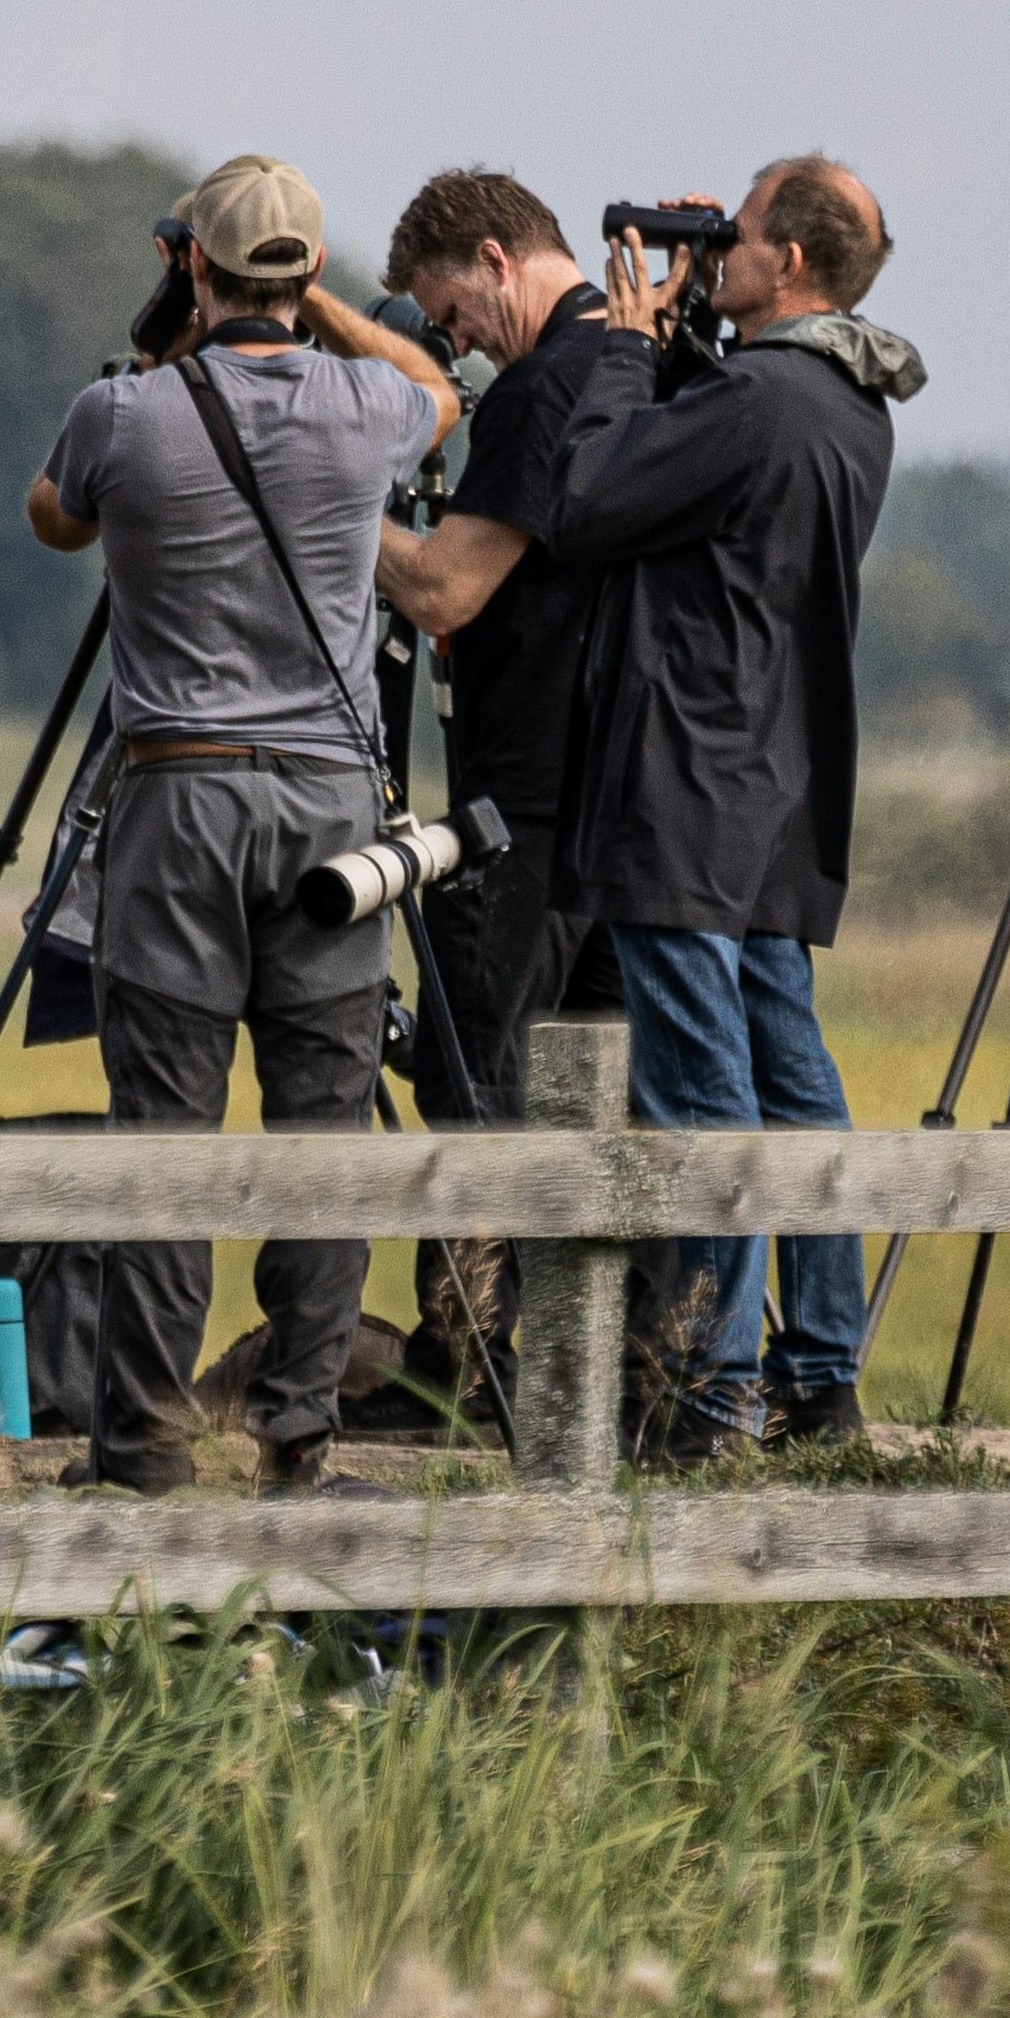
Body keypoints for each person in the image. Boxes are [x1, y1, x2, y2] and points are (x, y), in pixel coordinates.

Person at [23, 153, 458, 1492]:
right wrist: (322, 316)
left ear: (191, 265)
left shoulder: (126, 411)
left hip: (178, 797)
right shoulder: (373, 401)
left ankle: (145, 1444)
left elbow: (53, 518)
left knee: (164, 1128)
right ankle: (298, 1435)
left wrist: (166, 340)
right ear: (313, 275)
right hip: (332, 803)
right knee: (323, 1129)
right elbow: (442, 394)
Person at [525, 154, 918, 1456]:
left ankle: (709, 1392)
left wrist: (631, 354)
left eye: (735, 235)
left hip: (685, 793)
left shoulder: (757, 397)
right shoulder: (851, 405)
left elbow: (582, 501)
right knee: (793, 1082)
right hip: (774, 791)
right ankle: (820, 1373)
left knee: (701, 1099)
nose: (720, 249)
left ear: (789, 261)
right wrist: (691, 335)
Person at [370, 169, 637, 1407]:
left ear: (491, 257)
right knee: (600, 1086)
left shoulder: (540, 389)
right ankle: (608, 1365)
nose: (458, 343)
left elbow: (441, 589)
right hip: (625, 800)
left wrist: (308, 497)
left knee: (474, 1067)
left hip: (515, 798)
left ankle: (458, 1367)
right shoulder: (637, 362)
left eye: (453, 312)